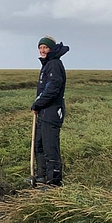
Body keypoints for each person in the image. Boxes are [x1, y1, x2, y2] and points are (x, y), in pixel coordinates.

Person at [31, 35, 69, 187]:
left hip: (51, 113)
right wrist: (38, 106)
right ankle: (42, 176)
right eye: (40, 48)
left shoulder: (54, 64)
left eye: (45, 47)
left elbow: (52, 88)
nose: (42, 50)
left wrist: (37, 103)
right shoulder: (46, 64)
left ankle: (53, 182)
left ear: (51, 49)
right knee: (39, 145)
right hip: (43, 112)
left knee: (50, 147)